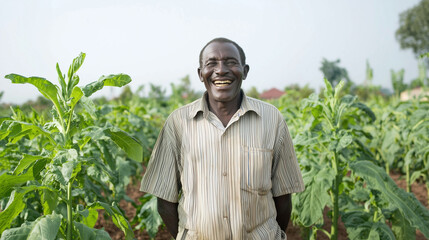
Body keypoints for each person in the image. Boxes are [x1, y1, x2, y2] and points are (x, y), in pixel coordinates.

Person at [140, 37, 305, 240]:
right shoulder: (178, 122)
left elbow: (283, 197)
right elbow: (165, 200)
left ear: (245, 71)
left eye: (230, 62)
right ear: (201, 74)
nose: (221, 70)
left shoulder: (272, 119)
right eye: (211, 64)